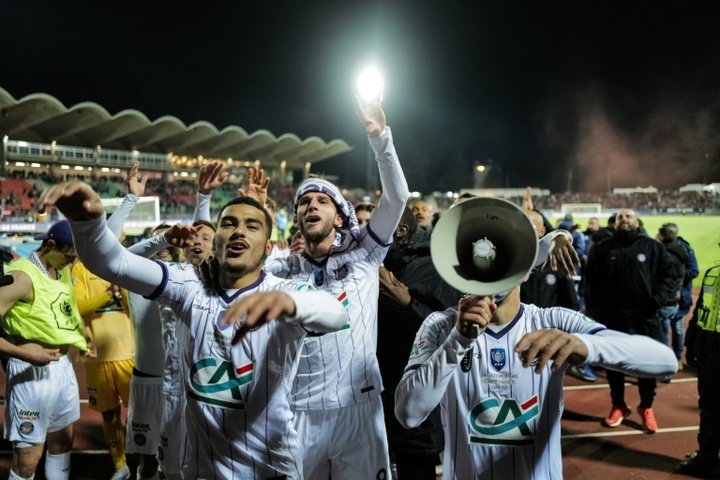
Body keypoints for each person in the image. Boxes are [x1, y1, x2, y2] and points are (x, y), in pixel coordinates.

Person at [38, 181, 350, 479]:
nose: (238, 230)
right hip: (201, 469)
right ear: (216, 241)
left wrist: (288, 305)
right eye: (228, 223)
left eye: (251, 226)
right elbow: (112, 263)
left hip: (271, 470)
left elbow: (335, 313)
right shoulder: (190, 283)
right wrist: (87, 223)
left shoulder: (287, 290)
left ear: (268, 247)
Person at [264, 96, 410, 479]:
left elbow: (397, 199)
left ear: (340, 214)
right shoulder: (280, 269)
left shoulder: (365, 253)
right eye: (304, 202)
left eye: (321, 200)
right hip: (297, 410)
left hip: (358, 408)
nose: (311, 206)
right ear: (296, 217)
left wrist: (380, 138)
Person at [394, 285, 677, 480]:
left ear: (526, 270)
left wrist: (585, 345)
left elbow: (665, 361)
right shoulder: (441, 325)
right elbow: (408, 413)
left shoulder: (553, 320)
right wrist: (458, 341)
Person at [377, 207, 463, 479]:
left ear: (400, 232)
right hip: (371, 394)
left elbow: (448, 335)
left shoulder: (434, 266)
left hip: (415, 397)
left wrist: (407, 305)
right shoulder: (373, 264)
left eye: (375, 229)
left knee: (415, 471)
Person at [0, 219, 88, 480]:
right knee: (28, 460)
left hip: (62, 369)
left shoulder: (61, 271)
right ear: (50, 245)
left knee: (62, 442)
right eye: (68, 255)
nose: (71, 262)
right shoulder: (22, 277)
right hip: (30, 372)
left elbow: (61, 312)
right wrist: (26, 354)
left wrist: (81, 336)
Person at [584, 208, 677, 433]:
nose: (624, 219)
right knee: (613, 366)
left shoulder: (653, 247)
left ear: (637, 221)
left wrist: (657, 300)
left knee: (648, 365)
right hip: (612, 318)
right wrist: (595, 312)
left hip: (645, 317)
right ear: (615, 223)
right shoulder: (602, 248)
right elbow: (591, 282)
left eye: (628, 216)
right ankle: (618, 404)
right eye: (620, 217)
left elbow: (670, 275)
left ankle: (646, 406)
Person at [72, 259, 135, 480]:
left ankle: (141, 459)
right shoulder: (81, 268)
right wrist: (107, 295)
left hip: (129, 355)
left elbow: (135, 305)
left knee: (139, 414)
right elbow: (76, 305)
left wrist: (122, 287)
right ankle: (120, 464)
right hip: (97, 358)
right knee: (109, 414)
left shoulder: (124, 263)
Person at [520, 210, 597, 382]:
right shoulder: (511, 263)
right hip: (517, 340)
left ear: (542, 231)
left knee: (547, 391)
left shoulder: (556, 263)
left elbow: (571, 303)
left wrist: (561, 335)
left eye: (530, 226)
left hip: (549, 341)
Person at [679, 254, 720, 478]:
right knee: (709, 406)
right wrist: (692, 340)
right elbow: (701, 310)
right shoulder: (713, 272)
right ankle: (707, 457)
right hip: (709, 348)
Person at [661, 222, 699, 370]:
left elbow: (694, 271)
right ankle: (667, 359)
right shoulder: (660, 248)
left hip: (680, 297)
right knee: (664, 330)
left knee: (676, 328)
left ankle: (676, 358)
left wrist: (676, 277)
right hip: (666, 297)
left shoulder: (686, 250)